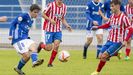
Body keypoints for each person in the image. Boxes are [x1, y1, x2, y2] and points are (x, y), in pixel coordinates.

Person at [91, 0, 131, 75]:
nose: (110, 8)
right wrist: (98, 27)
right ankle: (116, 53)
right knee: (100, 56)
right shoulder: (112, 16)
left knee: (104, 56)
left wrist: (125, 40)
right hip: (109, 40)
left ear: (118, 6)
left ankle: (97, 72)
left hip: (118, 42)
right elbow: (108, 25)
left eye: (112, 6)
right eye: (110, 6)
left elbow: (131, 29)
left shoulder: (124, 17)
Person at [8, 4, 44, 75]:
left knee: (33, 46)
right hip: (18, 39)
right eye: (35, 12)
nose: (36, 14)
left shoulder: (31, 20)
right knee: (27, 56)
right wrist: (10, 34)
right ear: (30, 11)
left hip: (25, 39)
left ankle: (34, 61)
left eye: (37, 12)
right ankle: (19, 68)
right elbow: (13, 23)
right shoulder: (24, 16)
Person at [37, 0, 72, 67]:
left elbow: (62, 18)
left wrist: (67, 25)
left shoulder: (64, 7)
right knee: (48, 48)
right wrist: (50, 20)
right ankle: (41, 45)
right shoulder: (51, 5)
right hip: (49, 29)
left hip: (58, 30)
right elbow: (43, 14)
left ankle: (50, 63)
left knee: (56, 46)